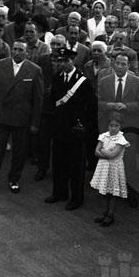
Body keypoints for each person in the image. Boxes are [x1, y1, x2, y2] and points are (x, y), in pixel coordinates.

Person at [0, 40, 44, 196]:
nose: (16, 52)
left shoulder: (35, 70)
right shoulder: (0, 65)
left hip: (22, 118)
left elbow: (38, 99)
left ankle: (14, 179)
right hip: (1, 116)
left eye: (20, 50)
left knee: (19, 152)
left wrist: (35, 122)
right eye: (14, 49)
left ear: (27, 53)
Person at [45, 48, 92, 210]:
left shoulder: (83, 81)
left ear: (73, 61)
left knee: (76, 166)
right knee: (58, 163)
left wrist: (84, 127)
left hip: (75, 129)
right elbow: (53, 102)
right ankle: (59, 193)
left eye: (66, 60)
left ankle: (76, 198)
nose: (63, 63)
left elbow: (90, 107)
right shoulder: (57, 78)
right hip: (59, 128)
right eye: (60, 61)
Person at [90, 115, 129, 227]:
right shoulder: (103, 136)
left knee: (112, 193)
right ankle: (105, 212)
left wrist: (102, 150)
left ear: (120, 126)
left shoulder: (121, 139)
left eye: (116, 125)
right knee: (104, 192)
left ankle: (110, 215)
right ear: (108, 125)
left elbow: (113, 155)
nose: (113, 128)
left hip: (114, 169)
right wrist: (107, 153)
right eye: (111, 125)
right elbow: (96, 152)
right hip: (103, 168)